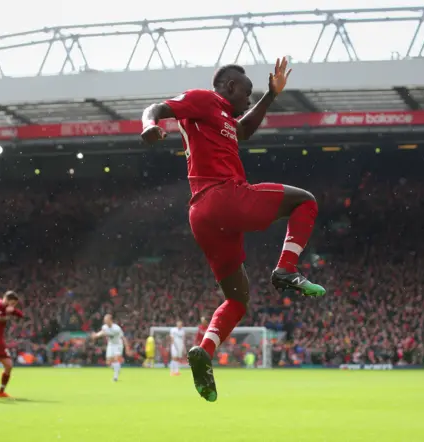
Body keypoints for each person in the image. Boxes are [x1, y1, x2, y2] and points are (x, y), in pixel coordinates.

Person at [141, 57, 325, 402]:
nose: (248, 97)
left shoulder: (223, 119)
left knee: (237, 300)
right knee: (306, 202)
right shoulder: (204, 99)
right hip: (224, 196)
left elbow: (243, 130)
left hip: (203, 216)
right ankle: (286, 269)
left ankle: (204, 351)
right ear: (229, 87)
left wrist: (270, 96)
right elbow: (157, 107)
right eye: (247, 91)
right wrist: (149, 125)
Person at [91, 314, 128, 381]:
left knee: (116, 359)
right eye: (105, 320)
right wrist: (96, 335)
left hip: (118, 345)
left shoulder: (117, 328)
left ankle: (115, 377)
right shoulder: (104, 327)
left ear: (110, 320)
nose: (105, 322)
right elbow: (102, 332)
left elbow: (123, 338)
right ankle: (117, 368)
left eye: (106, 320)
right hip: (110, 345)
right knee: (108, 363)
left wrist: (127, 349)